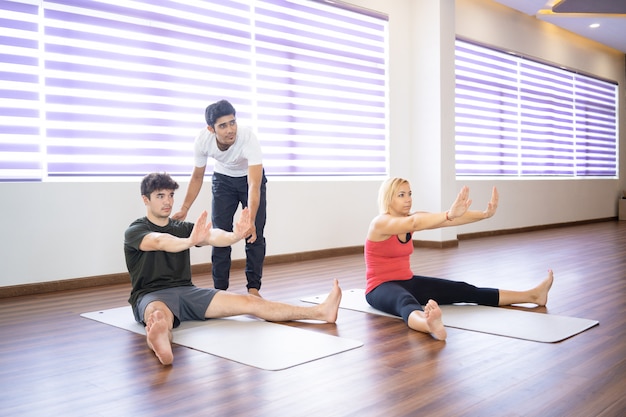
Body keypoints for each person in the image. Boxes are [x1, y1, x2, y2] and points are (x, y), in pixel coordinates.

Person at [124, 172, 341, 365]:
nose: (168, 201)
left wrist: (235, 235)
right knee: (160, 316)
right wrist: (190, 241)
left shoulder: (183, 228)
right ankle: (161, 339)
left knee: (250, 302)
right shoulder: (136, 230)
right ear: (146, 199)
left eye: (171, 195)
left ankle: (320, 312)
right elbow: (160, 242)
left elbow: (213, 235)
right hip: (151, 295)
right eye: (160, 196)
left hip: (187, 292)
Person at [364, 177, 554, 341]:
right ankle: (429, 324)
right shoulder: (380, 223)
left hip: (407, 281)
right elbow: (417, 222)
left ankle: (532, 295)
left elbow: (450, 219)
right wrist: (448, 214)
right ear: (388, 199)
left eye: (410, 193)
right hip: (379, 287)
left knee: (464, 289)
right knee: (405, 301)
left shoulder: (412, 217)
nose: (408, 199)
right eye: (401, 195)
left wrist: (485, 215)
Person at [172, 99, 267, 296]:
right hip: (223, 181)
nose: (230, 129)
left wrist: (250, 220)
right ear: (211, 128)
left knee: (254, 233)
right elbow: (197, 176)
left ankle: (253, 289)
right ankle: (220, 290)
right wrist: (184, 208)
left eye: (232, 122)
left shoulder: (248, 138)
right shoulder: (202, 141)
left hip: (249, 180)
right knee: (219, 234)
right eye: (223, 126)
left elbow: (254, 185)